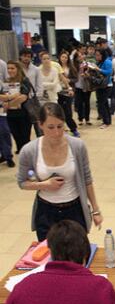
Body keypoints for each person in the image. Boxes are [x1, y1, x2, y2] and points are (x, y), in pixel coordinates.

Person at [17, 102, 103, 240]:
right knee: (48, 254)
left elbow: (87, 179)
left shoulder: (77, 146)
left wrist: (96, 210)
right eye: (50, 127)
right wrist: (44, 185)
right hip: (46, 211)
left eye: (60, 126)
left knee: (77, 253)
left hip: (74, 209)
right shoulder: (29, 151)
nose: (56, 133)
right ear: (40, 125)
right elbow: (22, 182)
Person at [0, 61, 31, 154]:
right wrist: (12, 97)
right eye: (8, 68)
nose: (10, 70)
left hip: (24, 114)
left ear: (18, 69)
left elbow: (23, 97)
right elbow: (3, 97)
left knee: (25, 138)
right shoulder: (6, 81)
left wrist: (9, 103)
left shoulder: (24, 80)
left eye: (12, 68)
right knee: (16, 137)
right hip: (10, 115)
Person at [57, 50, 79, 137]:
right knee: (58, 112)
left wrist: (69, 81)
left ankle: (74, 129)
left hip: (68, 91)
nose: (64, 59)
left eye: (65, 57)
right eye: (62, 57)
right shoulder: (56, 67)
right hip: (58, 91)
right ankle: (62, 129)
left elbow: (76, 79)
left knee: (68, 112)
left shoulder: (71, 68)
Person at [95, 47, 113, 129]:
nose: (97, 57)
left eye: (98, 55)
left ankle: (106, 121)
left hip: (106, 85)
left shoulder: (107, 62)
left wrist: (99, 69)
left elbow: (109, 72)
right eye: (96, 55)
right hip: (100, 86)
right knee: (104, 104)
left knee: (102, 104)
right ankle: (107, 120)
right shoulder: (99, 62)